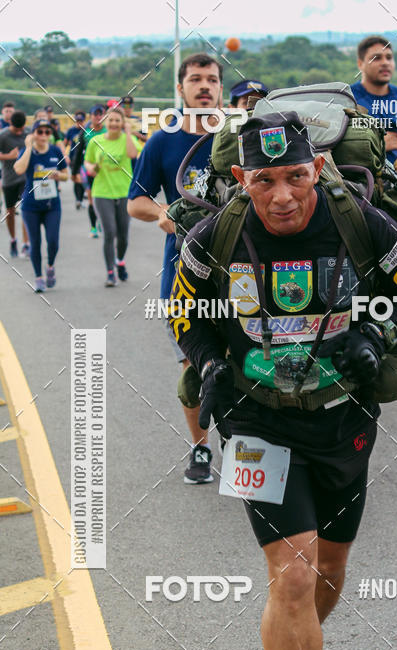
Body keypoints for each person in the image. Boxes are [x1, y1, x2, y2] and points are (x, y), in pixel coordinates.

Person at [168, 111, 397, 650]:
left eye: (294, 177)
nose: (282, 195)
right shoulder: (216, 235)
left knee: (327, 574)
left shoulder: (363, 225)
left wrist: (376, 338)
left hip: (344, 418)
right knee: (291, 574)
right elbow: (182, 311)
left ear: (316, 167)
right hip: (256, 422)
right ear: (240, 179)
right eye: (264, 181)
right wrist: (207, 359)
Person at [128, 52, 221, 485]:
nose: (205, 86)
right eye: (196, 79)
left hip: (243, 278)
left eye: (212, 80)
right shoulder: (163, 140)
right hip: (182, 276)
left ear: (221, 89)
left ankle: (248, 448)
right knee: (193, 366)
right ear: (181, 90)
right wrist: (163, 212)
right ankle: (201, 447)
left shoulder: (239, 137)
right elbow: (136, 201)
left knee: (252, 360)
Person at [84, 107, 141, 286]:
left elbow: (133, 155)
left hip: (124, 192)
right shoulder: (96, 141)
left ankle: (120, 261)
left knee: (123, 235)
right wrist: (90, 168)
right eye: (111, 120)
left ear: (122, 122)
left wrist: (129, 132)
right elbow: (88, 161)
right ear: (105, 122)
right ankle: (110, 273)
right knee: (110, 232)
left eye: (117, 120)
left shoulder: (128, 139)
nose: (114, 123)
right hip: (102, 192)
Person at [14, 118, 68, 292]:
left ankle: (50, 267)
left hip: (52, 205)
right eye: (40, 132)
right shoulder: (27, 151)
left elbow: (67, 175)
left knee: (53, 242)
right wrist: (29, 147)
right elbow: (19, 169)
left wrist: (58, 175)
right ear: (33, 134)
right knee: (35, 243)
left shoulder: (55, 151)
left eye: (47, 132)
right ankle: (38, 277)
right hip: (31, 206)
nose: (44, 135)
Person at [351, 35, 397, 161]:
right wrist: (378, 144)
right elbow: (336, 150)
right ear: (360, 64)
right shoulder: (348, 99)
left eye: (389, 57)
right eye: (376, 58)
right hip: (360, 178)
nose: (385, 63)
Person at [71, 105, 106, 237]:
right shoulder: (85, 132)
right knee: (91, 197)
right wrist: (74, 173)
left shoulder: (108, 131)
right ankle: (93, 227)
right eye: (95, 114)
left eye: (100, 114)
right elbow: (78, 153)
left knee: (104, 198)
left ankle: (102, 221)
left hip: (105, 171)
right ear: (90, 116)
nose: (98, 117)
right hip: (88, 170)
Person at [0, 110, 30, 258]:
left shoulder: (28, 133)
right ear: (10, 124)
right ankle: (13, 240)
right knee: (10, 212)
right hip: (9, 179)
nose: (19, 132)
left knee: (25, 209)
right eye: (17, 130)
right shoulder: (3, 135)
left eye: (22, 129)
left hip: (24, 178)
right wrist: (9, 156)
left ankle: (26, 244)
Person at [65, 111, 86, 208]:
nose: (79, 123)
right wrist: (65, 155)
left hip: (84, 159)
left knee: (81, 179)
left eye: (81, 121)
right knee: (77, 178)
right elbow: (65, 144)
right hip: (73, 158)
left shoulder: (87, 131)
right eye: (77, 121)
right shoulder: (71, 131)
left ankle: (80, 199)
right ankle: (78, 199)